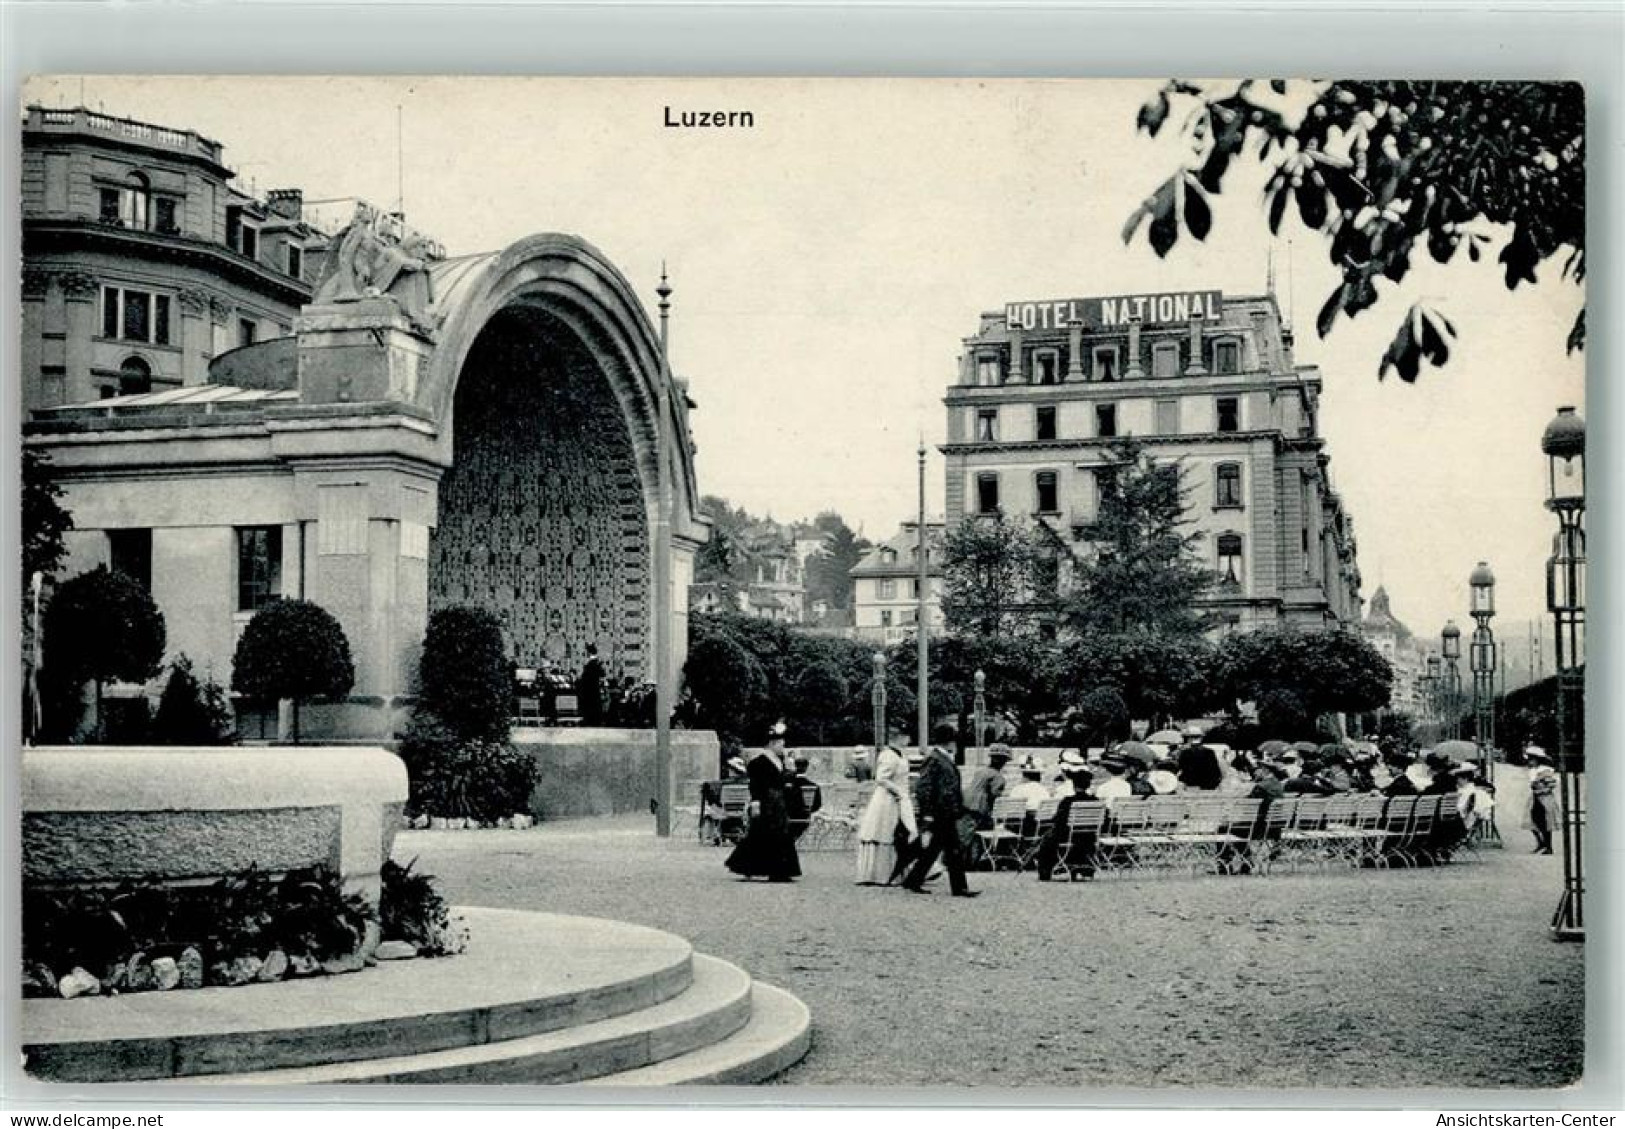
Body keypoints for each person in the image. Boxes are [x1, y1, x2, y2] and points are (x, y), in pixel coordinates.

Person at [901, 723, 979, 897]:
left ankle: (914, 879)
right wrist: (928, 812)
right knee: (951, 849)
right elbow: (925, 787)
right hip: (940, 811)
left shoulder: (939, 758)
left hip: (945, 811)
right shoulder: (935, 759)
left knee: (937, 849)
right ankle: (958, 887)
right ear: (949, 741)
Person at [724, 738, 801, 883]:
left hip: (778, 802)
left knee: (777, 834)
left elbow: (783, 781)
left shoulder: (780, 761)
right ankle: (757, 867)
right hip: (766, 801)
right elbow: (756, 784)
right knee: (762, 833)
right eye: (780, 745)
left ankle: (778, 870)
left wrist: (790, 771)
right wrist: (756, 801)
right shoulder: (758, 762)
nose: (782, 748)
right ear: (771, 744)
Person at [855, 735, 917, 885]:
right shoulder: (888, 755)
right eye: (906, 737)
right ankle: (880, 874)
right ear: (898, 738)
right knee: (885, 832)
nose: (908, 740)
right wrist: (898, 791)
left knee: (904, 830)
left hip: (899, 798)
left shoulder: (900, 754)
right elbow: (881, 778)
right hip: (887, 799)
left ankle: (900, 871)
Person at [962, 744, 1012, 830]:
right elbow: (995, 797)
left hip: (967, 806)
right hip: (981, 809)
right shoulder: (998, 777)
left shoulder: (980, 771)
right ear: (1003, 761)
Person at [1524, 747, 1558, 855]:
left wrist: (1541, 790)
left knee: (1546, 821)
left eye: (1531, 759)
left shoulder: (1545, 770)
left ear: (1537, 759)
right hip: (1535, 797)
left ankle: (1548, 846)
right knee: (1532, 819)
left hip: (1545, 797)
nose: (1529, 762)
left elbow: (1551, 785)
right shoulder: (1533, 771)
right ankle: (1541, 843)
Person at [785, 754, 822, 842]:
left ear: (795, 766)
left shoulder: (787, 786)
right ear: (806, 768)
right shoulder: (814, 786)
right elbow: (817, 805)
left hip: (789, 818)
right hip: (804, 819)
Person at [576, 643, 605, 727]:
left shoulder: (591, 664)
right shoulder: (598, 663)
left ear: (588, 653)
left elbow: (586, 679)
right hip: (595, 690)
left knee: (590, 707)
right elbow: (602, 675)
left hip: (589, 691)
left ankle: (590, 720)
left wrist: (579, 681)